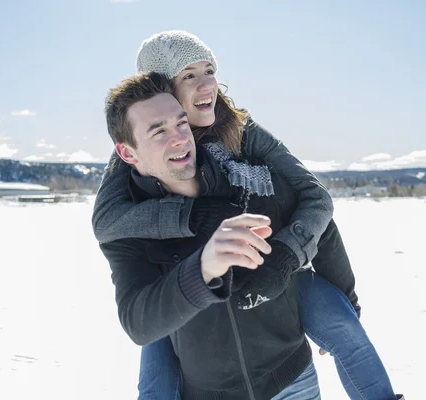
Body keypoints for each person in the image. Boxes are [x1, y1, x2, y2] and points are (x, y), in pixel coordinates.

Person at [94, 31, 404, 400]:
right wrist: (195, 217)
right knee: (156, 369)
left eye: (209, 70)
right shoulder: (132, 162)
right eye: (188, 75)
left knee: (346, 331)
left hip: (283, 351)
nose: (207, 83)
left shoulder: (243, 143)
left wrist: (293, 262)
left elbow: (314, 202)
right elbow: (108, 223)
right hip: (200, 354)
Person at [101, 71, 321, 399]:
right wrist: (202, 268)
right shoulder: (129, 225)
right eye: (158, 131)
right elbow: (138, 321)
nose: (179, 138)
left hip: (293, 378)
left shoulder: (244, 176)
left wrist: (296, 265)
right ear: (128, 154)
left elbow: (316, 214)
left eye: (180, 123)